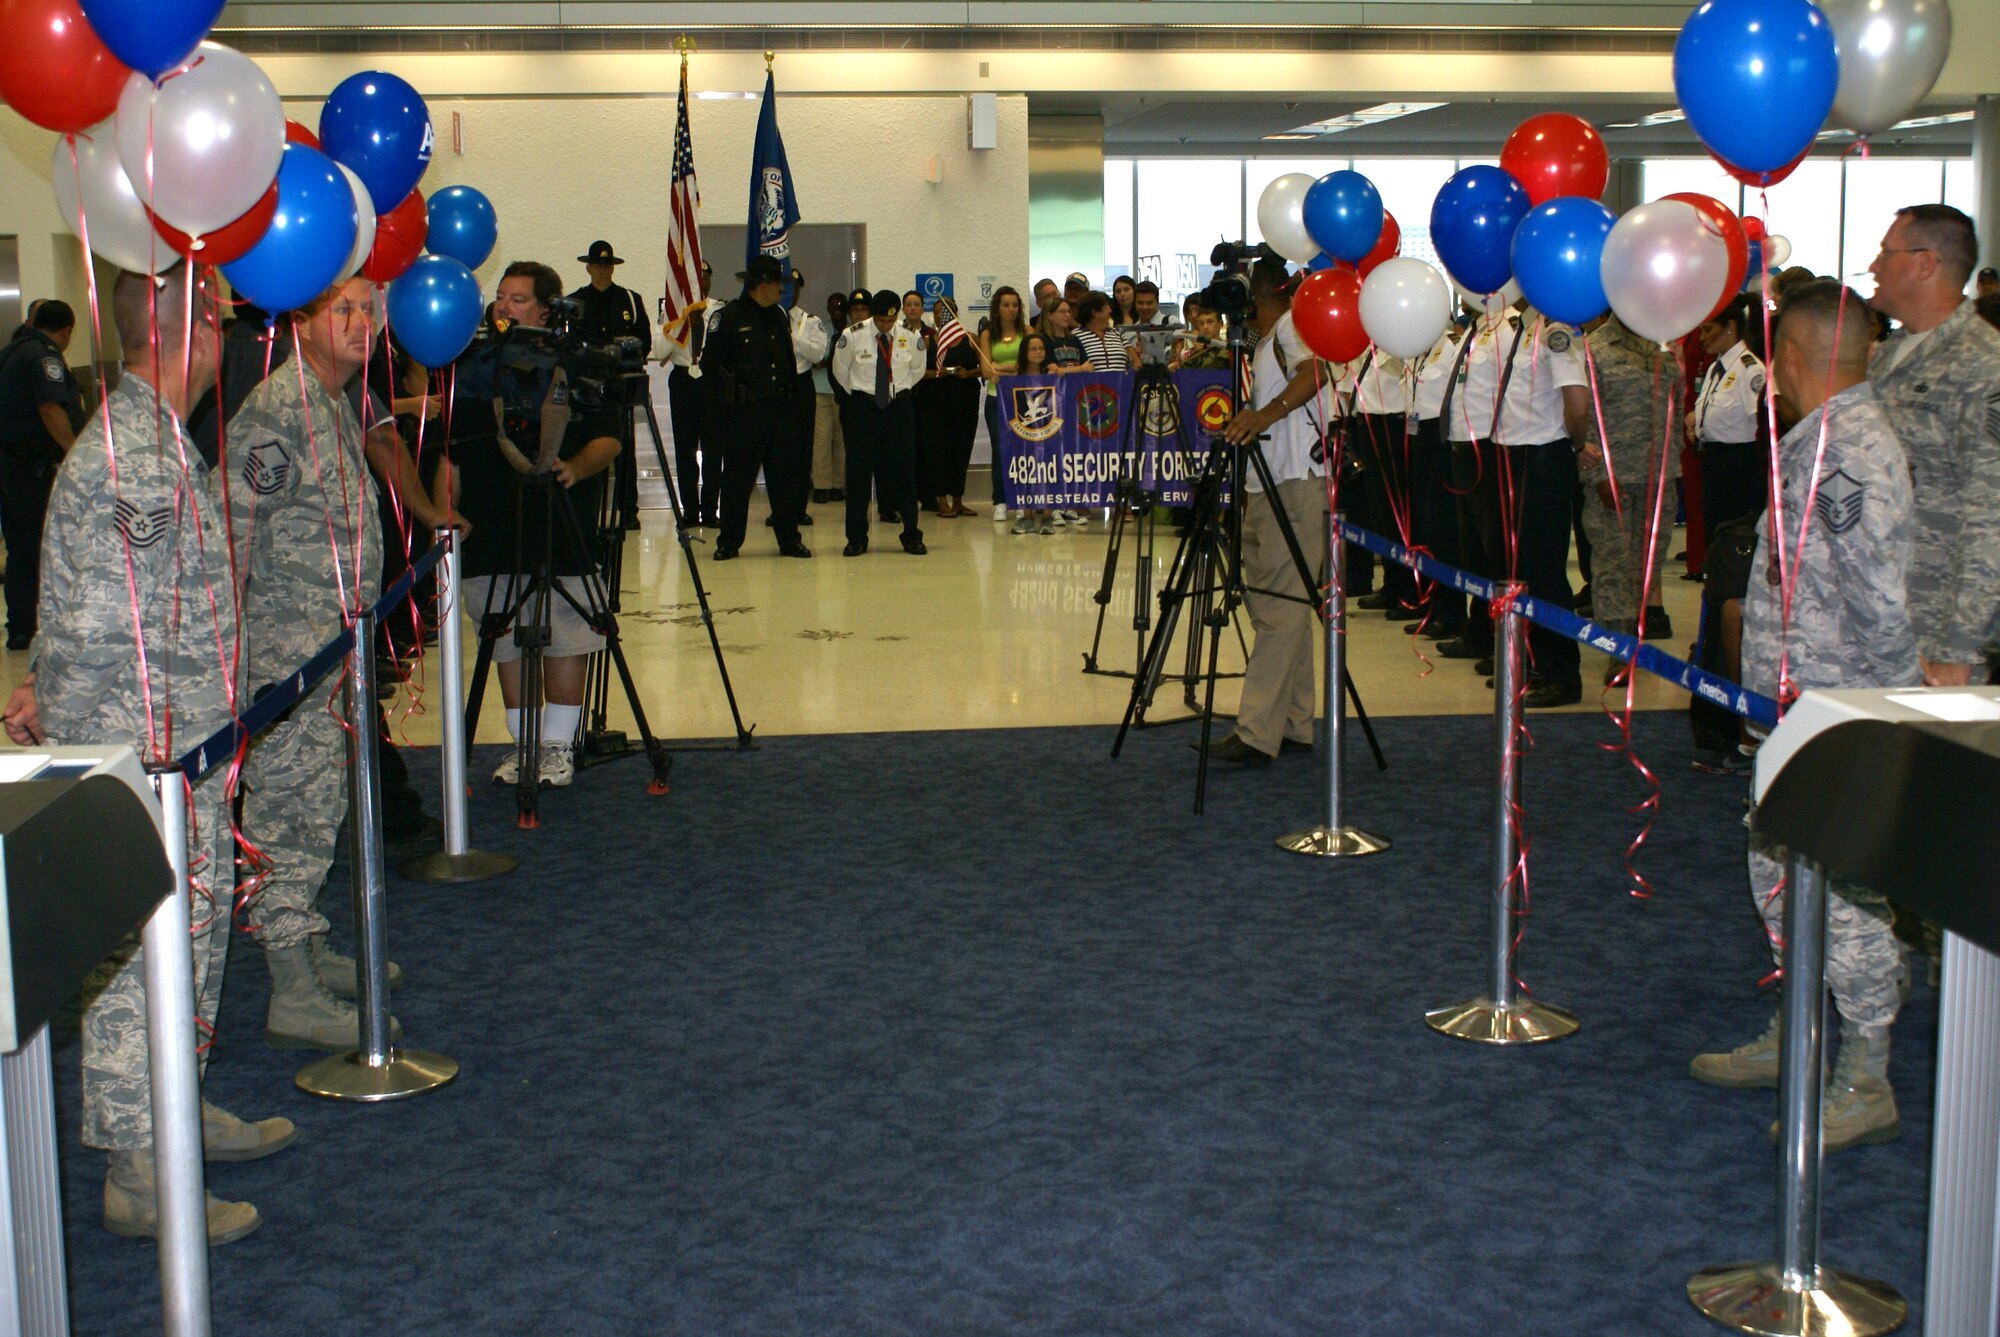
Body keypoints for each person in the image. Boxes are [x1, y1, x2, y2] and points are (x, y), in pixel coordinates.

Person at [5, 264, 284, 1244]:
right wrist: (103, 761)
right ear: (188, 331)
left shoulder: (157, 439)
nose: (228, 339)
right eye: (217, 318)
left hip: (182, 751)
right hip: (144, 763)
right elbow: (91, 636)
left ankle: (175, 1100)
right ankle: (138, 1160)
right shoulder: (131, 455)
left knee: (192, 937)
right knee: (141, 953)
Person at [1691, 281, 1920, 1153]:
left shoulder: (1851, 448)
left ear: (1792, 354)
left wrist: (1893, 721)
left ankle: (1865, 1074)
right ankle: (1802, 1028)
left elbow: (1882, 604)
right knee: (1781, 876)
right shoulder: (1818, 437)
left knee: (1850, 896)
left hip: (1843, 713)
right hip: (1796, 707)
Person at [228, 275, 410, 1052]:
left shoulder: (330, 400)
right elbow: (231, 535)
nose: (363, 322)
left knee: (318, 809)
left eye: (370, 307)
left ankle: (302, 945)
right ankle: (290, 988)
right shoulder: (276, 409)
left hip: (330, 654)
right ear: (301, 318)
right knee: (285, 816)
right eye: (344, 308)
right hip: (287, 660)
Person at [440, 260, 623, 788]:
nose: (504, 307)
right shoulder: (474, 362)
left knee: (568, 634)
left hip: (561, 519)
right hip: (494, 521)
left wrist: (575, 467)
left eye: (517, 299)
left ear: (547, 307)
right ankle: (523, 748)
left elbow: (609, 436)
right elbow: (451, 448)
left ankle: (557, 750)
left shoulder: (578, 361)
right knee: (506, 636)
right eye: (501, 297)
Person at [1865, 203, 2000, 688]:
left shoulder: (1984, 366)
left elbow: (1991, 520)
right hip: (1877, 615)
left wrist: (1961, 649)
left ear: (1925, 263)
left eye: (1886, 253)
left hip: (1935, 630)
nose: (1874, 265)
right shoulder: (1886, 357)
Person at [1211, 257, 1331, 767]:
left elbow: (1316, 372)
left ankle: (1258, 732)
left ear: (1256, 294)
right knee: (1281, 606)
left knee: (1279, 609)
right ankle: (1294, 722)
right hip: (1270, 481)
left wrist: (1264, 414)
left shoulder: (1291, 326)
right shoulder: (1264, 341)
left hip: (1295, 481)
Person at [1490, 305, 1591, 707]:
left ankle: (1561, 673)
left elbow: (1577, 403)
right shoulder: (1527, 327)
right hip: (1515, 455)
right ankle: (1533, 663)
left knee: (1544, 571)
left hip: (1542, 455)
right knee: (1520, 568)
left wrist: (1577, 445)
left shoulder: (1556, 329)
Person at [1579, 313, 1679, 673]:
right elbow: (1586, 419)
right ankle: (1617, 652)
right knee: (1613, 567)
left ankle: (1634, 642)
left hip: (1659, 476)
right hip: (1615, 479)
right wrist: (1600, 475)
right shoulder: (1596, 349)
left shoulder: (1663, 347)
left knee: (1647, 568)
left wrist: (1673, 464)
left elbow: (1676, 408)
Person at [700, 255, 812, 560]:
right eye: (778, 284)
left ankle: (789, 539)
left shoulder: (777, 316)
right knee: (737, 480)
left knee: (784, 479)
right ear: (762, 285)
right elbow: (710, 366)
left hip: (779, 411)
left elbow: (787, 363)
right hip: (744, 414)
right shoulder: (729, 317)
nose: (781, 290)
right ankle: (729, 541)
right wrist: (722, 408)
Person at [1434, 298, 1522, 673]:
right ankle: (1478, 630)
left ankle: (1502, 639)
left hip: (1489, 447)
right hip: (1462, 448)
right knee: (1471, 549)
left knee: (1495, 551)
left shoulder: (1510, 328)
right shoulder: (1476, 327)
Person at [0, 299, 80, 649]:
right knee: (42, 546)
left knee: (20, 546)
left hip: (11, 466)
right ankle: (39, 624)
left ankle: (20, 626)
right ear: (65, 332)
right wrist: (75, 453)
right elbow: (49, 407)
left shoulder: (11, 352)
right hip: (31, 468)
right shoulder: (43, 356)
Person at [830, 289, 927, 558]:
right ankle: (856, 538)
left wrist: (898, 391)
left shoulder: (910, 336)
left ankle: (911, 535)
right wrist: (861, 396)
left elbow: (917, 370)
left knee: (905, 471)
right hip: (863, 408)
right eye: (881, 321)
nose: (885, 326)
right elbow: (840, 371)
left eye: (890, 321)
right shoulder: (853, 336)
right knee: (858, 473)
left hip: (898, 408)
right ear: (873, 315)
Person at [569, 242, 651, 529]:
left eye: (608, 265)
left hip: (619, 388)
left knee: (623, 448)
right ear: (589, 267)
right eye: (598, 265)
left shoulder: (629, 300)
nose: (603, 270)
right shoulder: (576, 302)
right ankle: (589, 512)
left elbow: (644, 341)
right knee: (589, 448)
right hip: (587, 390)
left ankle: (628, 512)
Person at [1687, 296, 1767, 565]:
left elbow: (1760, 424)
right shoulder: (1715, 369)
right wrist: (1695, 419)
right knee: (1714, 539)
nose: (1702, 338)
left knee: (1731, 542)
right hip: (1714, 462)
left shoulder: (1749, 369)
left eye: (1708, 330)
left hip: (1739, 467)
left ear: (1730, 326)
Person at [767, 266, 828, 533]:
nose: (788, 293)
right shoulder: (765, 318)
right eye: (784, 288)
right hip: (773, 386)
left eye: (793, 289)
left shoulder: (810, 321)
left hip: (802, 384)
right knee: (774, 451)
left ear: (799, 290)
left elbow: (817, 355)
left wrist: (791, 337)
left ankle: (799, 508)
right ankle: (777, 509)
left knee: (803, 449)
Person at [663, 260, 720, 527]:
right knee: (685, 450)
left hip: (711, 381)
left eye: (705, 277)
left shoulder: (720, 310)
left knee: (713, 450)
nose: (701, 283)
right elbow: (660, 351)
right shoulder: (672, 312)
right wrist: (679, 321)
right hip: (683, 379)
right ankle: (690, 510)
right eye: (696, 279)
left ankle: (710, 510)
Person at [920, 295, 982, 517]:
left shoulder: (970, 338)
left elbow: (984, 369)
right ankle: (940, 500)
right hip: (935, 403)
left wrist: (968, 373)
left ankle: (958, 500)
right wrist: (938, 373)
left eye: (946, 311)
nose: (941, 315)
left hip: (965, 401)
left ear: (956, 314)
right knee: (939, 451)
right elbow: (916, 373)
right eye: (937, 312)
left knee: (961, 450)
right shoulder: (927, 340)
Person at [978, 285, 1028, 519]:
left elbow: (1027, 366)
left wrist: (1000, 367)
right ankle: (1000, 499)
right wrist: (1011, 369)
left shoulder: (1027, 331)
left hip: (1023, 400)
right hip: (996, 399)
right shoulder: (988, 334)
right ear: (997, 308)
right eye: (1006, 305)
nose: (1011, 309)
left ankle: (1021, 498)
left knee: (1022, 449)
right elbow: (986, 371)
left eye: (1015, 305)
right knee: (1000, 450)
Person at [1006, 332, 1059, 536]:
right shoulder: (1016, 378)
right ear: (1024, 352)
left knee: (1048, 471)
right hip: (1024, 434)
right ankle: (1026, 517)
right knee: (1025, 471)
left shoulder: (1052, 373)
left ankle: (1047, 516)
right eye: (1033, 349)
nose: (1038, 352)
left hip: (1049, 432)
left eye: (1041, 349)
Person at [810, 289, 849, 504]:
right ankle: (821, 485)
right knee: (822, 439)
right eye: (833, 307)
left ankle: (837, 484)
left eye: (841, 306)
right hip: (821, 389)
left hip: (844, 391)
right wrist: (827, 360)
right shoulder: (821, 329)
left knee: (841, 439)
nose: (837, 310)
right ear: (828, 308)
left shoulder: (854, 329)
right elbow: (815, 358)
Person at [1072, 291, 1137, 373]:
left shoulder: (1117, 334)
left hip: (1120, 383)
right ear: (1094, 312)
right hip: (1091, 384)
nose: (1110, 311)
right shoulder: (1075, 336)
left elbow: (1135, 361)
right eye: (1106, 307)